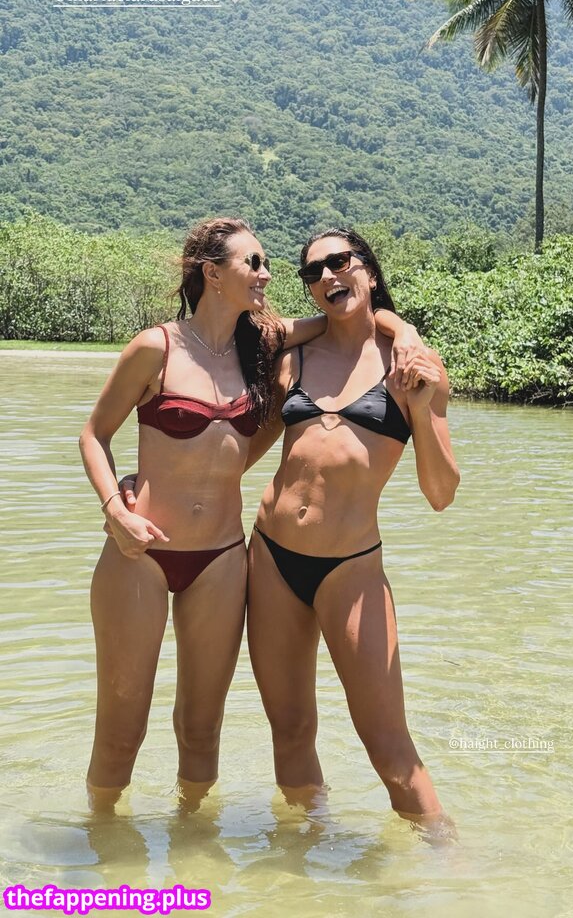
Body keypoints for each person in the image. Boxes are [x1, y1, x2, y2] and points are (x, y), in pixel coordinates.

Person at [79, 217, 423, 811]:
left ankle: (194, 839)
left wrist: (406, 329)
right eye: (254, 263)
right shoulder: (156, 346)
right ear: (213, 274)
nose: (267, 275)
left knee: (201, 730)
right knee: (121, 731)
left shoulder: (262, 345)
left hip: (221, 558)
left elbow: (351, 318)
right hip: (141, 551)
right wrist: (115, 508)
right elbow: (93, 434)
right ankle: (102, 845)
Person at [246, 228, 460, 828]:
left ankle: (451, 864)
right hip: (271, 557)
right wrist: (158, 484)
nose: (327, 276)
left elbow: (441, 494)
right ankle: (302, 850)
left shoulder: (413, 366)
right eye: (312, 272)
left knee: (389, 748)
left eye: (339, 262)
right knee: (290, 730)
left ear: (367, 268)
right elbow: (241, 451)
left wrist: (421, 407)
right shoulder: (295, 358)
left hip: (351, 569)